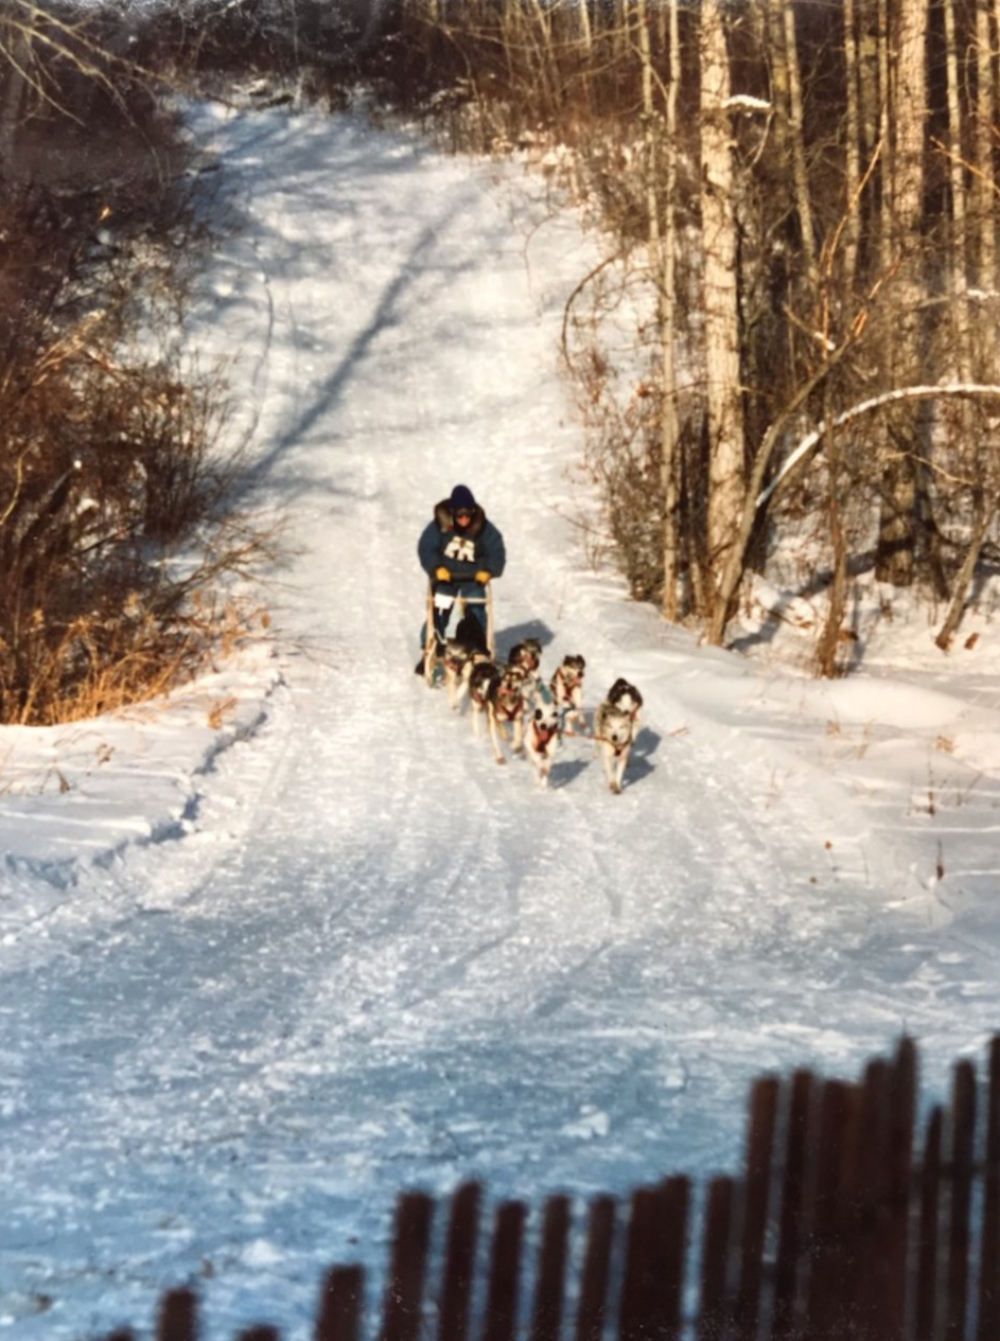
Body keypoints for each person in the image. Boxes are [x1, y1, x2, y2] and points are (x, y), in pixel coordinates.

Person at [416, 484, 506, 673]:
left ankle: (478, 649)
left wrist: (489, 570)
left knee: (477, 610)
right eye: (460, 516)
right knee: (439, 609)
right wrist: (436, 567)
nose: (464, 520)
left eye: (468, 516)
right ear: (453, 513)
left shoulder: (483, 527)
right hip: (446, 577)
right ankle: (431, 648)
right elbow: (426, 548)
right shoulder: (440, 526)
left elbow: (497, 551)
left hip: (473, 577)